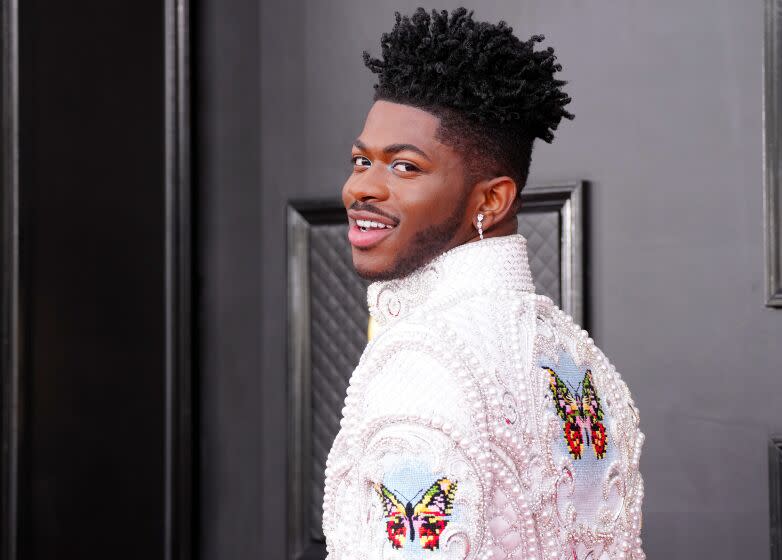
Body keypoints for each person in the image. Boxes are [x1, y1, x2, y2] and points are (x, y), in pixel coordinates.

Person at [322, 8, 645, 559]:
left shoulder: (421, 360)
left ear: (490, 201)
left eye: (404, 167)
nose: (362, 188)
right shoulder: (574, 357)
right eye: (361, 160)